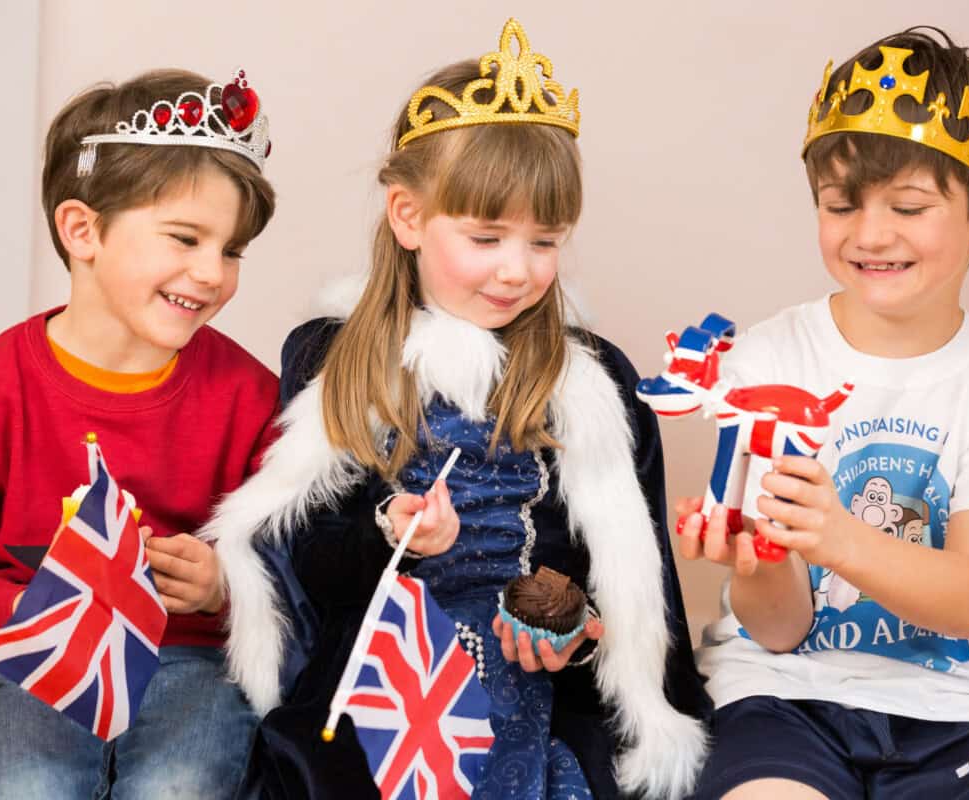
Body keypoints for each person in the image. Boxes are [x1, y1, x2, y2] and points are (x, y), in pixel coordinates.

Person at [203, 18, 710, 800]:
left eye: (545, 242)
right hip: (384, 675)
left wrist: (571, 625)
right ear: (408, 216)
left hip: (534, 691)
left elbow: (627, 593)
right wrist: (389, 532)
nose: (518, 270)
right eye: (486, 236)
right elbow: (305, 561)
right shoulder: (335, 360)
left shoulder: (595, 383)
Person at [678, 27, 969, 799]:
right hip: (777, 698)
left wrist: (838, 536)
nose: (871, 233)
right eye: (840, 203)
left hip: (953, 711)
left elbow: (965, 600)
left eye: (911, 206)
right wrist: (755, 562)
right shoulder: (766, 363)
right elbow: (781, 629)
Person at [0, 67, 279, 798]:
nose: (212, 272)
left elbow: (296, 560)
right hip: (32, 656)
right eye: (186, 237)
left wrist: (227, 582)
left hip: (189, 659)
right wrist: (26, 610)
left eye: (232, 250)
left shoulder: (252, 398)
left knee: (180, 788)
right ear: (82, 229)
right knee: (26, 787)